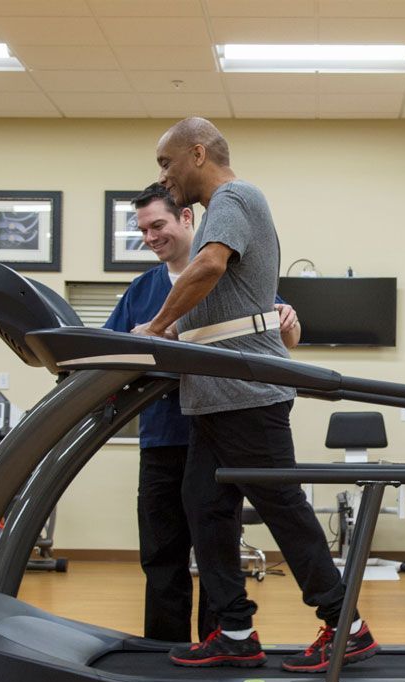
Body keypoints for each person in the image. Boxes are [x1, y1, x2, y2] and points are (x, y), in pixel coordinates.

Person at [133, 117, 378, 671]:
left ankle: (348, 625)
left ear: (197, 154)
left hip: (247, 392)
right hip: (216, 398)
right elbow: (214, 297)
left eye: (167, 164)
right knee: (204, 507)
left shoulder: (235, 197)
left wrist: (155, 327)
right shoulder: (225, 204)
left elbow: (210, 265)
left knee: (284, 510)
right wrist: (167, 332)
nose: (165, 177)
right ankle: (235, 629)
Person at [106, 184, 300, 644]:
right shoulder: (140, 291)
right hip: (162, 439)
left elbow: (278, 342)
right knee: (161, 555)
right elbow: (111, 353)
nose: (151, 237)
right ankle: (164, 652)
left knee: (217, 552)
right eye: (143, 230)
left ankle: (221, 645)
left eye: (159, 225)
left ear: (188, 220)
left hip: (217, 432)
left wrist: (289, 327)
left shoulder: (230, 276)